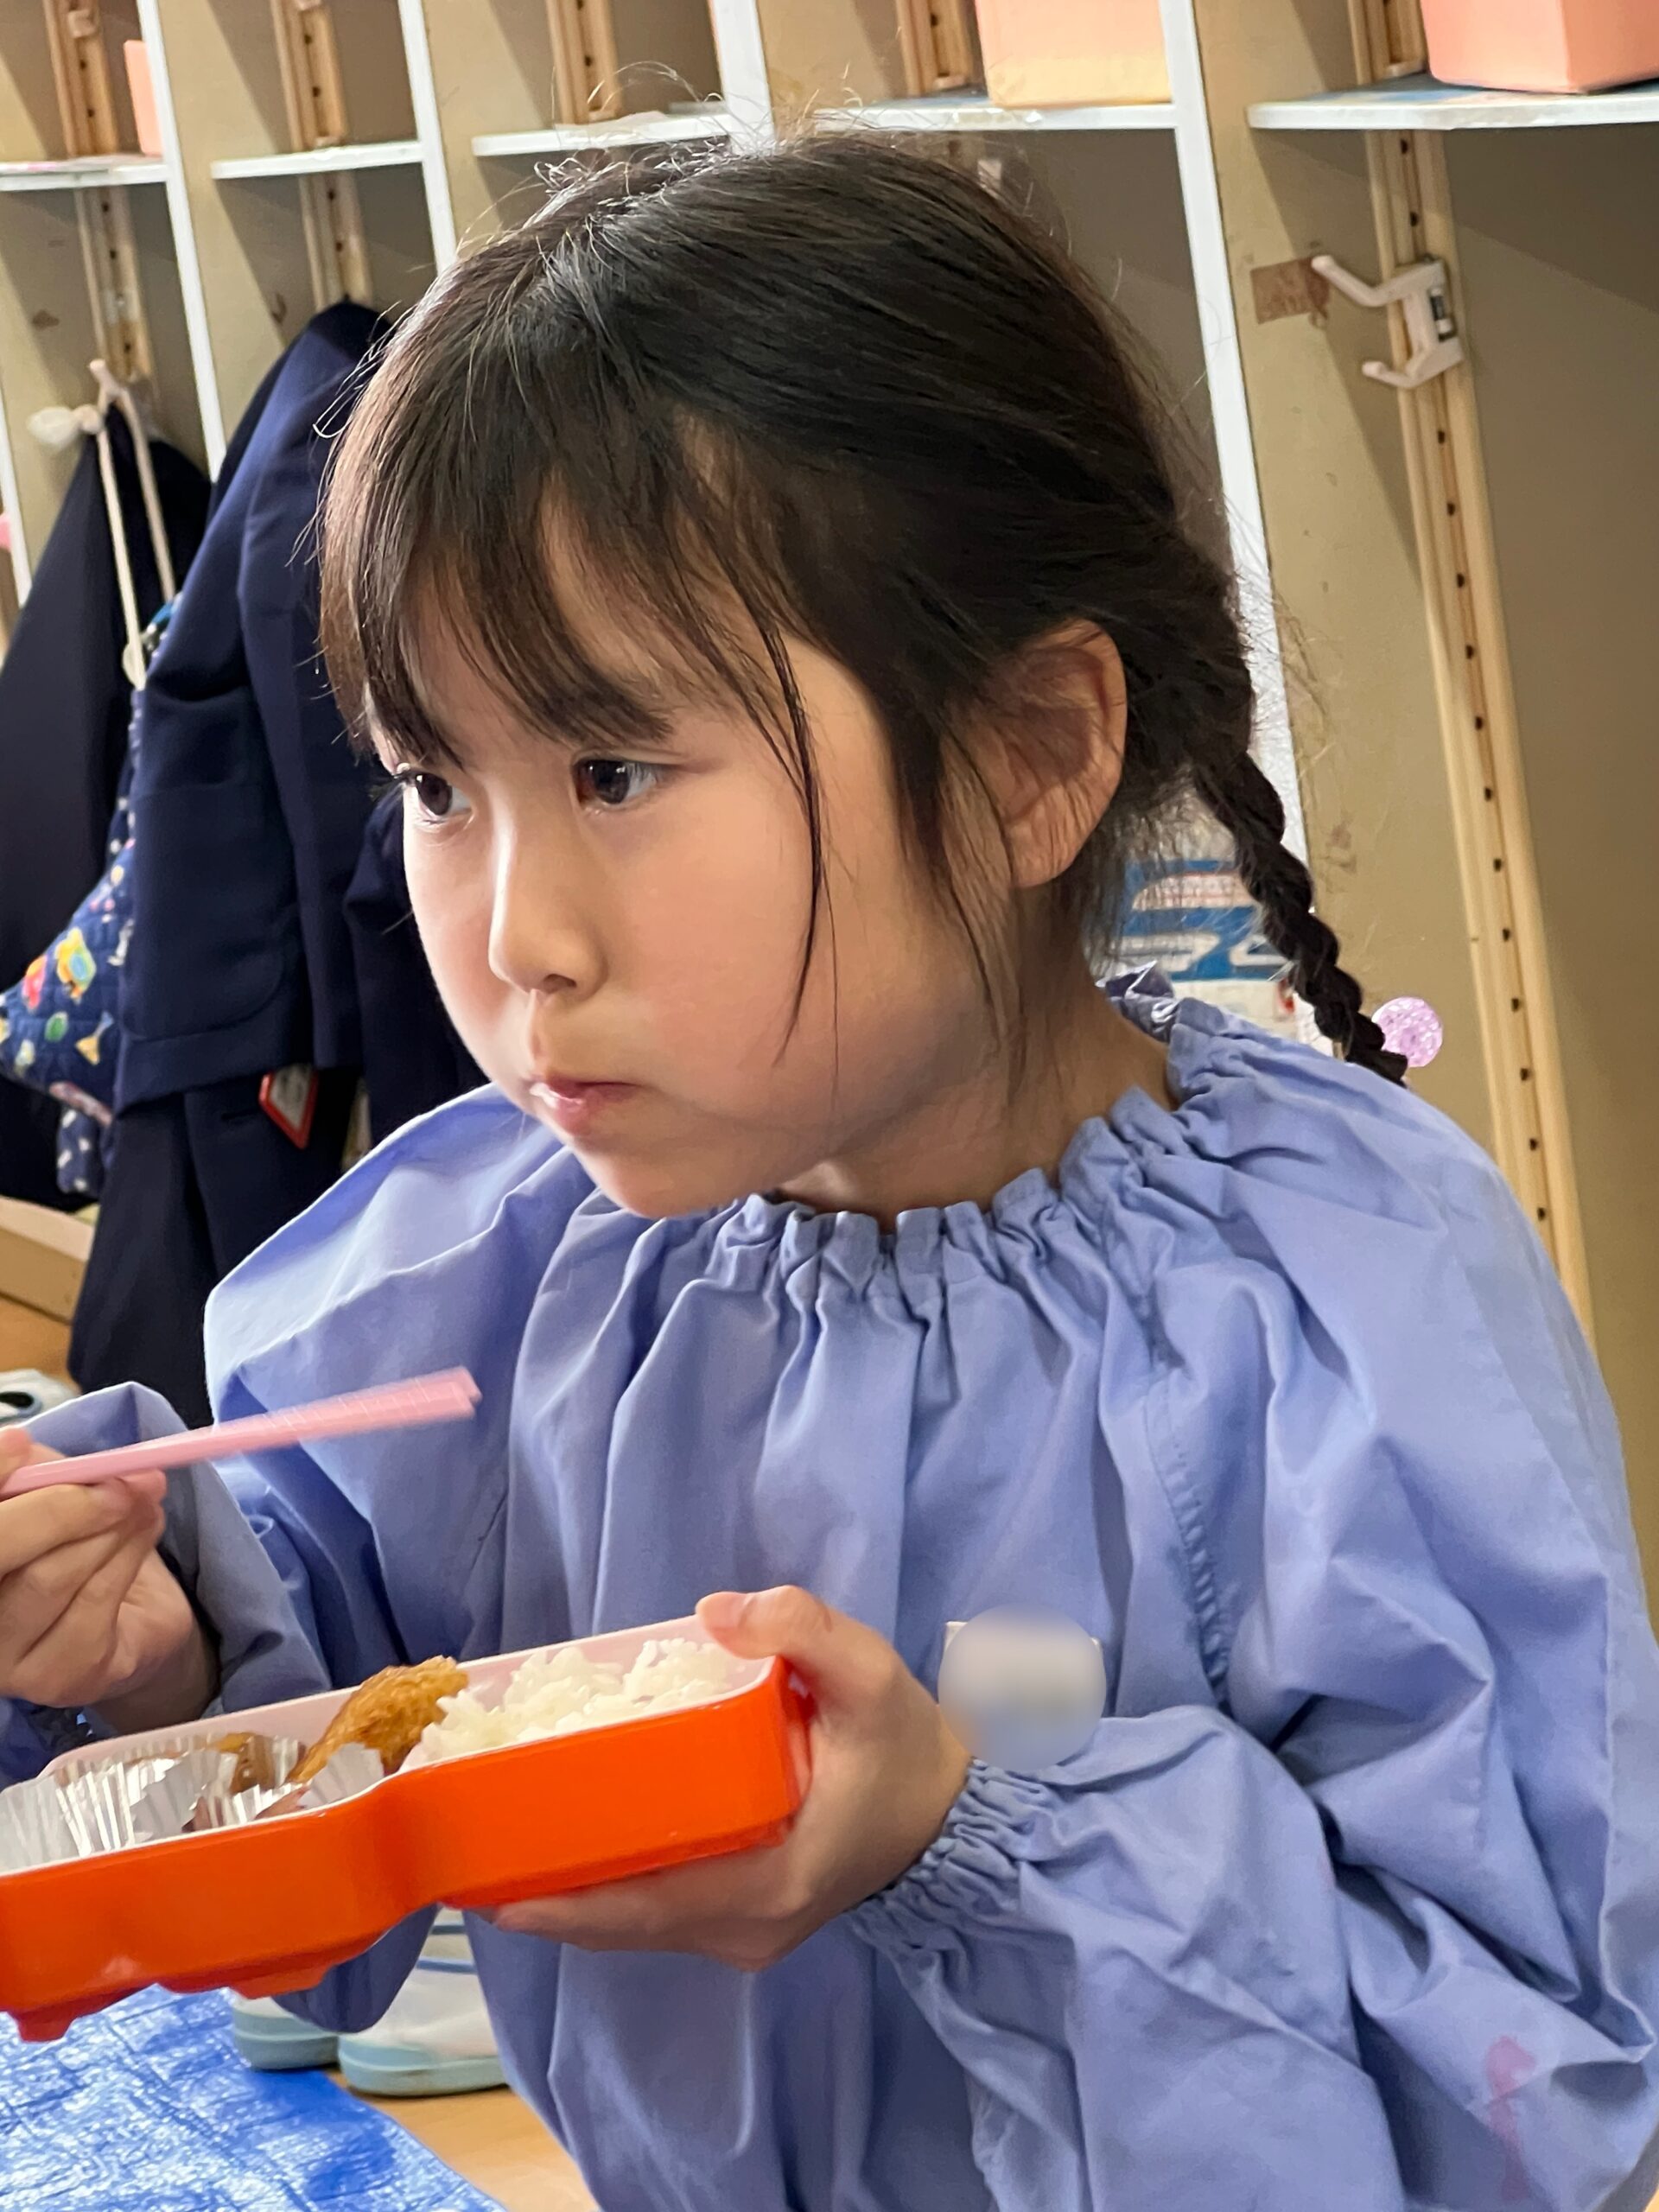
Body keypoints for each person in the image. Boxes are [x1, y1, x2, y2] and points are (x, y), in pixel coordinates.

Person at [1, 139, 1656, 2211]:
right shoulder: (511, 1251)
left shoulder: (1338, 1296)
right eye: (436, 784)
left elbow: (1529, 2074)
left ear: (1029, 753)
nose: (513, 938)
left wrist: (969, 1833)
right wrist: (150, 1635)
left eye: (615, 769)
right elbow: (333, 1686)